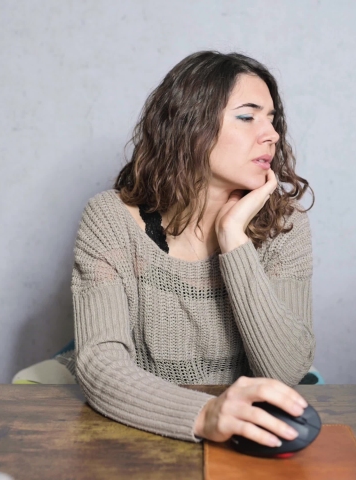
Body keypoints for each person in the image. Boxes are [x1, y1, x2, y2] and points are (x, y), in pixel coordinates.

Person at [70, 51, 315, 448]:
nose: (270, 133)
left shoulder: (285, 226)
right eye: (247, 115)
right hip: (135, 435)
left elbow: (283, 371)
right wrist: (204, 415)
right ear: (190, 125)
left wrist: (233, 238)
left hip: (243, 441)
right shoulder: (110, 219)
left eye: (272, 118)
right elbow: (100, 365)